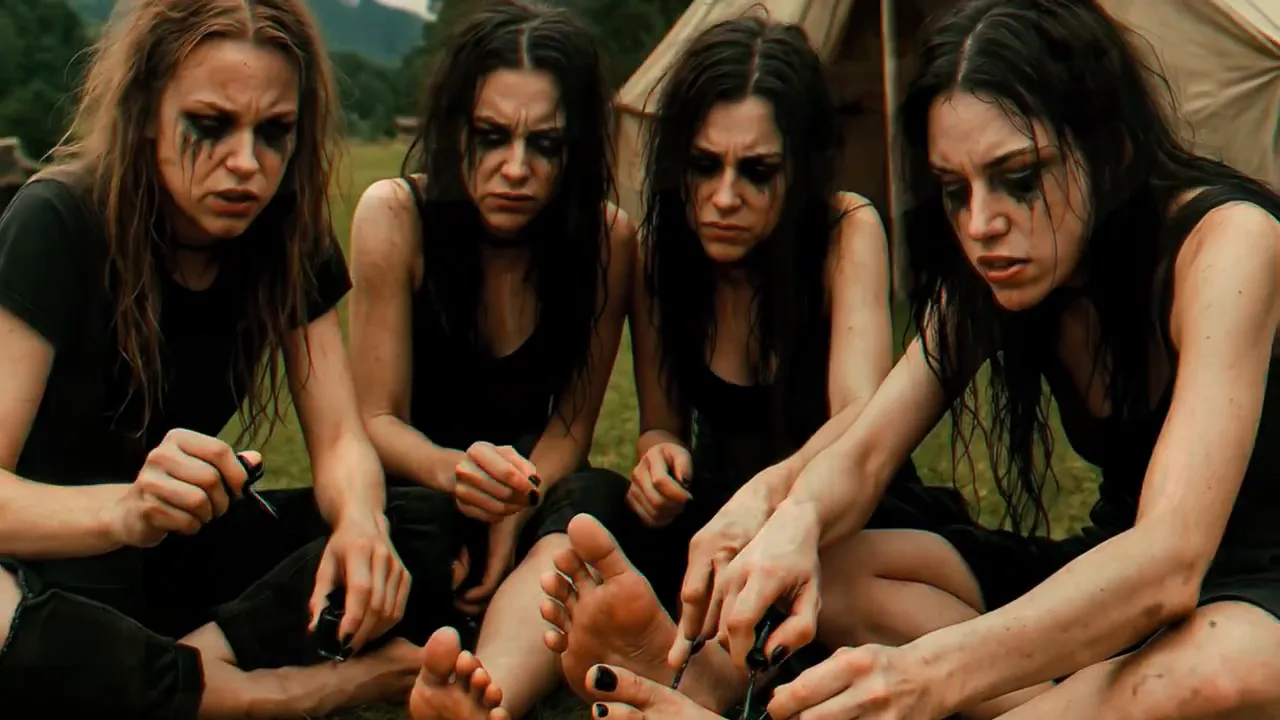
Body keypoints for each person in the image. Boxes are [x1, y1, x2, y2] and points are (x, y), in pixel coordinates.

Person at [612, 1, 1280, 719]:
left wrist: (931, 673)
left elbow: (1169, 563)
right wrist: (776, 514)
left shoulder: (1228, 244)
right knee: (830, 570)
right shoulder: (991, 271)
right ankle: (705, 687)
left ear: (1109, 147)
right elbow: (868, 449)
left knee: (1210, 671)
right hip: (1115, 588)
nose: (981, 224)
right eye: (955, 191)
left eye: (1019, 178)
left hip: (1243, 601)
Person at [0, 1, 468, 717]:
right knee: (25, 627)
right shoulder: (55, 223)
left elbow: (340, 437)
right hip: (52, 559)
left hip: (176, 552)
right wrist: (127, 510)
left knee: (421, 525)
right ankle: (271, 693)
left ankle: (182, 667)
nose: (247, 164)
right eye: (210, 126)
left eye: (275, 132)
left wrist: (360, 527)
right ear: (147, 111)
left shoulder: (284, 233)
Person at [531, 14, 973, 717]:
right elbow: (661, 426)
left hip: (840, 512)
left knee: (849, 585)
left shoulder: (843, 228)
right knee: (593, 502)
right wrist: (659, 462)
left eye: (756, 172)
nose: (725, 196)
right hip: (711, 519)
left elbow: (859, 417)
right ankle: (678, 656)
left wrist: (771, 499)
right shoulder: (660, 254)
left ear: (798, 168)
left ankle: (704, 671)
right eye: (705, 165)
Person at [346, 2, 635, 718]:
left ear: (577, 153)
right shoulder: (395, 216)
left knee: (593, 509)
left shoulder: (606, 241)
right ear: (453, 132)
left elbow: (571, 431)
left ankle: (487, 701)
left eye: (546, 145)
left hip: (538, 495)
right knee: (419, 525)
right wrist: (456, 474)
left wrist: (516, 507)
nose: (516, 168)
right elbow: (375, 417)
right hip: (423, 495)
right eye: (491, 136)